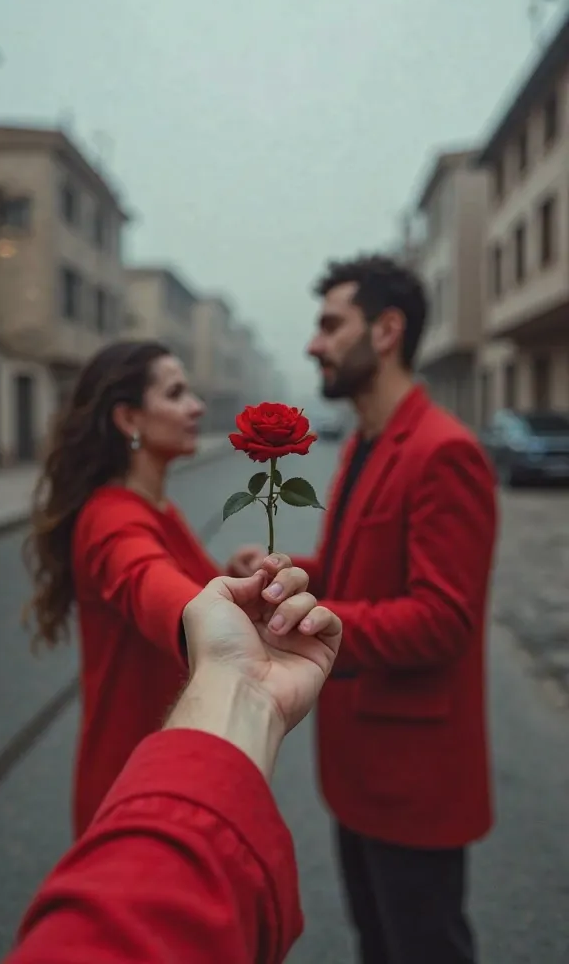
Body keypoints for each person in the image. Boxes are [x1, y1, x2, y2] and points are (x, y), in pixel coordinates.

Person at [230, 255, 498, 964]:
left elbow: (445, 618)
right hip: (358, 768)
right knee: (377, 946)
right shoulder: (365, 443)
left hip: (415, 779)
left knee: (424, 950)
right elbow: (357, 568)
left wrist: (315, 622)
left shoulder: (445, 452)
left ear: (385, 331)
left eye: (329, 325)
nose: (313, 343)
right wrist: (291, 572)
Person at [24, 340, 310, 837]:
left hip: (176, 763)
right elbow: (146, 581)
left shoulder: (158, 508)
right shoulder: (111, 518)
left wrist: (231, 574)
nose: (197, 406)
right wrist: (205, 612)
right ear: (130, 419)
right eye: (176, 393)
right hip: (134, 786)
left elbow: (171, 575)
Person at [6, 569, 342, 964]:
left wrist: (237, 676)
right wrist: (195, 611)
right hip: (141, 749)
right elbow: (141, 574)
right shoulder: (113, 512)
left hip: (165, 758)